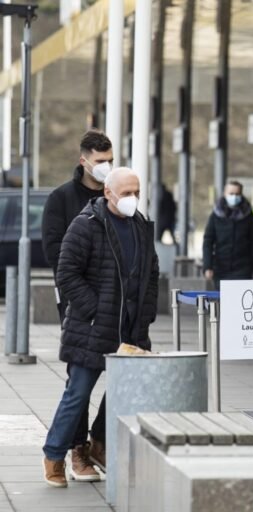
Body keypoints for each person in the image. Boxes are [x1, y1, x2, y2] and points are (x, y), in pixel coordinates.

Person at [42, 168, 159, 488]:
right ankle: (54, 456)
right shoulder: (86, 225)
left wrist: (145, 315)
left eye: (136, 191)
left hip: (131, 329)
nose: (132, 198)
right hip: (93, 327)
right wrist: (94, 311)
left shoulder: (140, 226)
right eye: (126, 192)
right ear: (108, 193)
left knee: (124, 391)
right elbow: (67, 274)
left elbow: (151, 274)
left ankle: (98, 444)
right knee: (77, 394)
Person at [40, 130, 113, 482]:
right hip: (78, 305)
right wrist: (87, 302)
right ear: (84, 160)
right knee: (80, 380)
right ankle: (76, 450)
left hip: (116, 306)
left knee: (124, 378)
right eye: (100, 162)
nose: (106, 167)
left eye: (110, 160)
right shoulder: (62, 199)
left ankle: (99, 441)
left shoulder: (117, 197)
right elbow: (57, 256)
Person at [203, 180, 253, 287]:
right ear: (225, 194)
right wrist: (208, 266)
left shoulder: (249, 216)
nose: (234, 197)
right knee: (222, 301)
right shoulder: (215, 215)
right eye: (231, 194)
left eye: (237, 194)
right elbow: (208, 242)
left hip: (243, 269)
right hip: (221, 268)